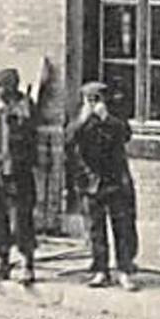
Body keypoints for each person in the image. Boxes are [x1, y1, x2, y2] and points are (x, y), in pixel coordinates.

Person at [66, 80, 139, 291]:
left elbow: (125, 135)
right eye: (88, 99)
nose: (92, 103)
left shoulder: (114, 120)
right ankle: (101, 270)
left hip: (115, 181)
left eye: (96, 99)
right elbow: (69, 139)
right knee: (95, 229)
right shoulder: (80, 121)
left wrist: (106, 117)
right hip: (91, 183)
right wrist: (83, 118)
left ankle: (124, 270)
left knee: (123, 228)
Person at [0, 67, 38, 285]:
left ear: (11, 87)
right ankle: (3, 262)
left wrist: (9, 117)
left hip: (19, 173)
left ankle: (27, 265)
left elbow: (27, 138)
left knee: (22, 220)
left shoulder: (24, 109)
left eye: (1, 86)